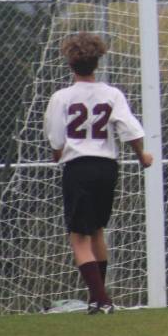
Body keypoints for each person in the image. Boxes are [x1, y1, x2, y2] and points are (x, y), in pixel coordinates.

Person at [43, 32, 153, 315]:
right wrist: (142, 155)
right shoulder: (112, 94)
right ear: (97, 62)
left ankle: (102, 299)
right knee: (97, 232)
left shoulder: (61, 97)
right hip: (107, 168)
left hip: (79, 167)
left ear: (70, 64)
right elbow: (129, 129)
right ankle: (97, 299)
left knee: (78, 238)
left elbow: (56, 139)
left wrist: (58, 154)